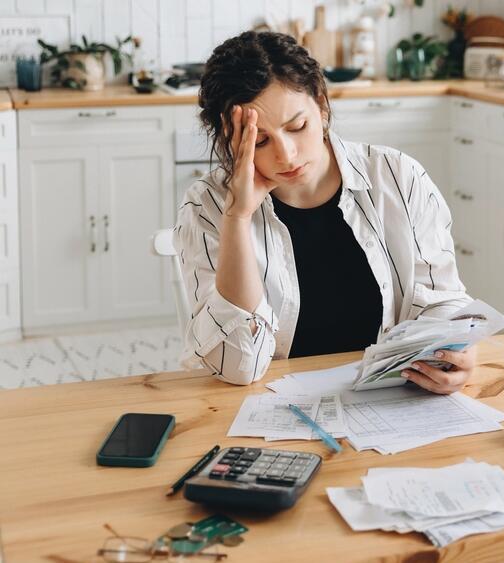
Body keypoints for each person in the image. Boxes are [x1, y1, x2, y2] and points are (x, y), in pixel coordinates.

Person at [174, 31, 475, 393]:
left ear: (322, 105)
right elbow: (239, 367)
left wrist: (453, 353)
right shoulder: (207, 206)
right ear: (229, 139)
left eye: (297, 126)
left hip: (386, 401)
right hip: (263, 405)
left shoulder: (397, 176)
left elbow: (441, 300)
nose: (286, 155)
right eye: (261, 140)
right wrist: (238, 218)